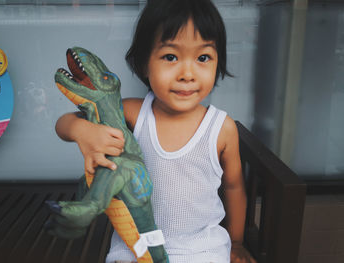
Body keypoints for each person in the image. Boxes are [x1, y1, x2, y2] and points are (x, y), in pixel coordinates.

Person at [55, 0, 257, 262]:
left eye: (203, 57)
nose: (187, 73)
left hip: (201, 247)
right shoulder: (133, 113)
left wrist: (237, 243)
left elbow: (233, 187)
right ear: (143, 64)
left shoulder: (221, 128)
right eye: (170, 57)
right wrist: (82, 131)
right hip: (136, 244)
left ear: (218, 62)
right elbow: (63, 124)